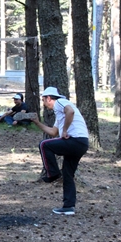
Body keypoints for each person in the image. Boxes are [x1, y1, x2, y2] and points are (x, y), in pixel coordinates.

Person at [32, 87, 90, 216]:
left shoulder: (60, 103)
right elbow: (53, 132)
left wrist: (64, 130)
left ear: (49, 98)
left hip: (76, 140)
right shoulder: (60, 114)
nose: (43, 104)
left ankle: (52, 174)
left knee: (44, 145)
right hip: (82, 143)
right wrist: (37, 123)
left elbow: (70, 112)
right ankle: (68, 206)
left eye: (43, 100)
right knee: (68, 174)